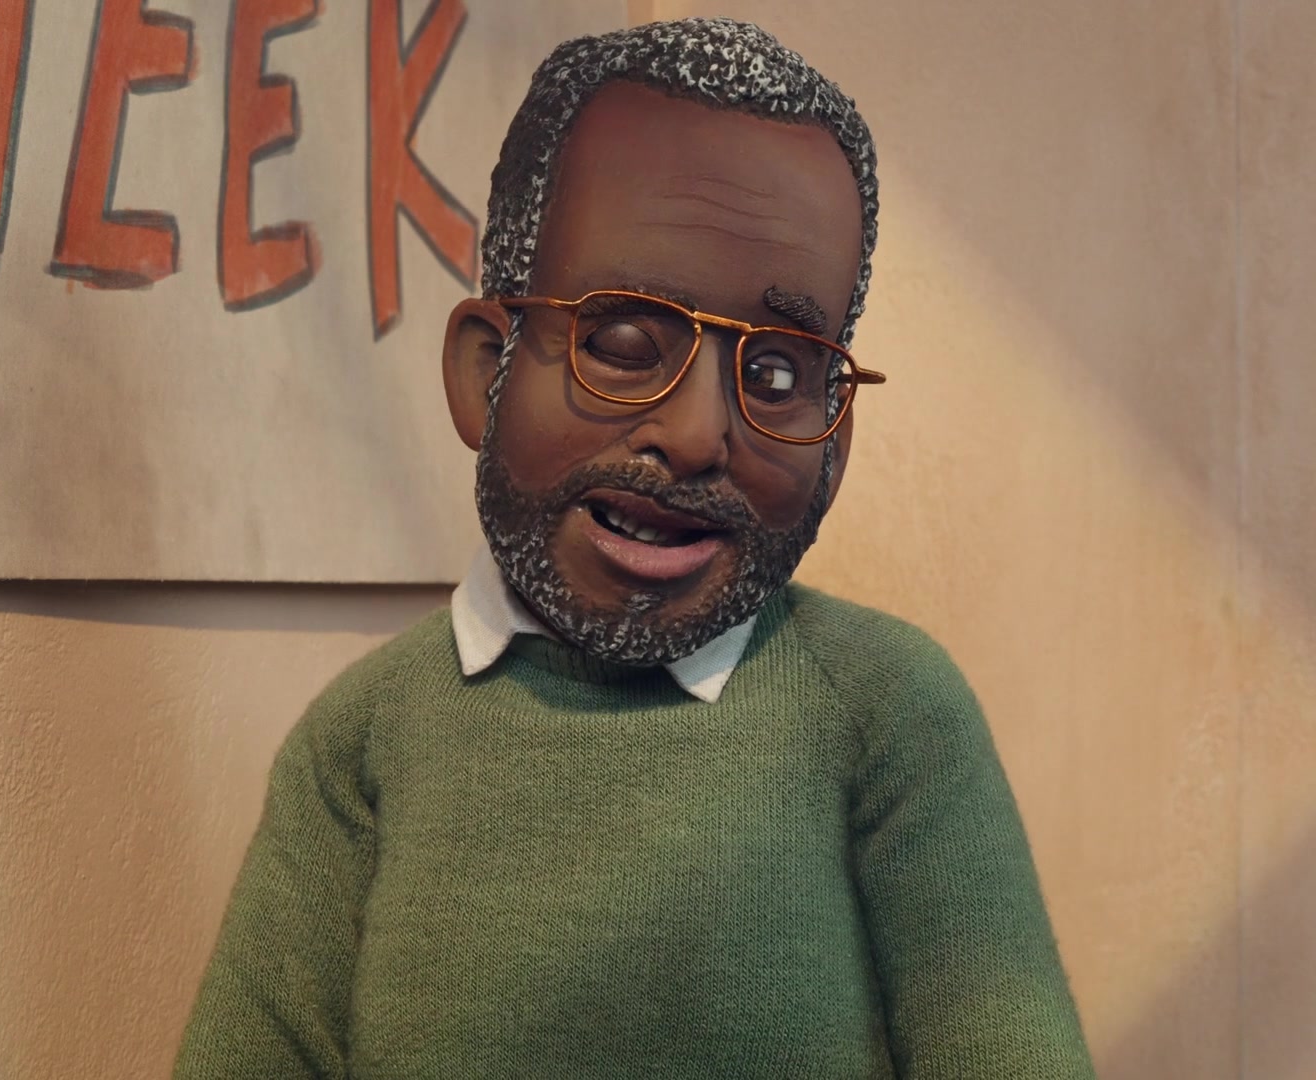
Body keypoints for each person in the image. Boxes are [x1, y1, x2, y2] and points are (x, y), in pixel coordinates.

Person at [173, 17, 1094, 1079]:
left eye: (778, 375)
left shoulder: (886, 714)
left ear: (834, 442)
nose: (698, 435)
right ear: (484, 371)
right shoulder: (366, 742)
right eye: (621, 344)